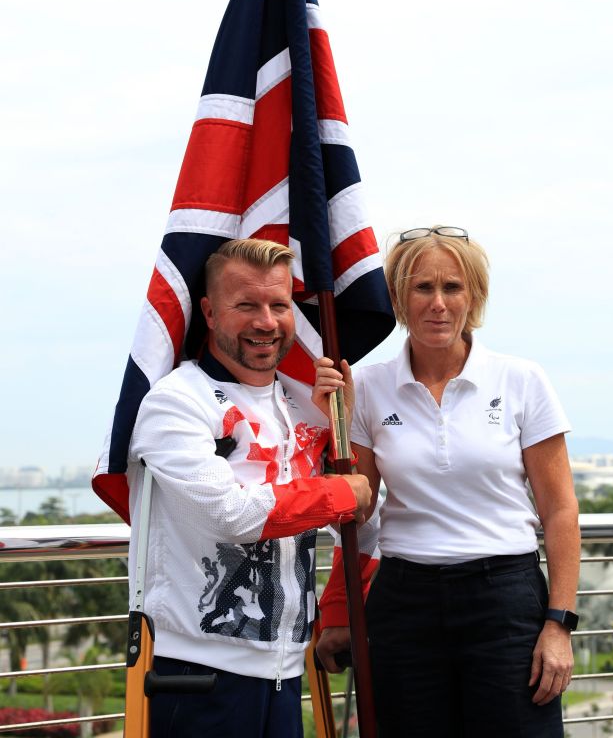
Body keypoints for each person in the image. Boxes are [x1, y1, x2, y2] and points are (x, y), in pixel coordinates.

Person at [315, 225, 580, 738]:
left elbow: (560, 510)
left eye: (452, 287)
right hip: (404, 602)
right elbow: (359, 509)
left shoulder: (521, 379)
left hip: (505, 601)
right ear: (397, 297)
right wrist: (339, 425)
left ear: (473, 296)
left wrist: (558, 624)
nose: (437, 303)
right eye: (422, 287)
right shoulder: (365, 386)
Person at [126, 237, 372, 738]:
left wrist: (343, 427)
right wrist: (343, 492)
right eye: (246, 305)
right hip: (198, 673)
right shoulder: (175, 402)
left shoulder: (310, 406)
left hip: (286, 669)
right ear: (211, 313)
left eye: (279, 305)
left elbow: (367, 517)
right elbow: (234, 517)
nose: (266, 321)